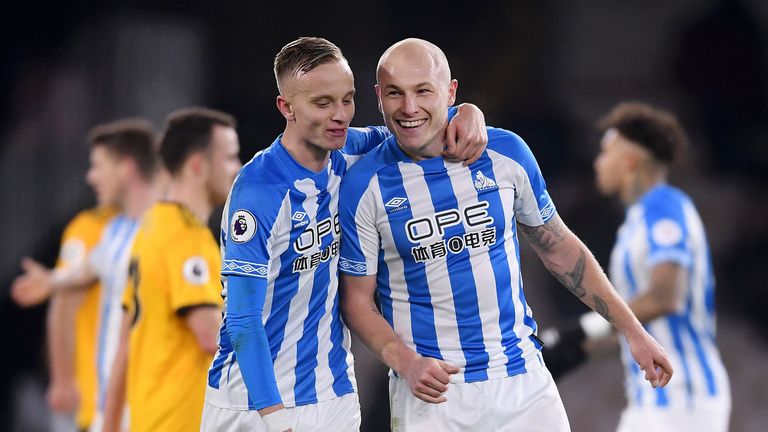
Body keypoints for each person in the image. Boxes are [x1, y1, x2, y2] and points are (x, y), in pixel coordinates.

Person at [337, 38, 673, 432]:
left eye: (423, 91)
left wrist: (634, 331)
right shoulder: (364, 185)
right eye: (395, 93)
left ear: (450, 92)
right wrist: (405, 362)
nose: (409, 107)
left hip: (523, 385)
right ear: (378, 97)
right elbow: (357, 301)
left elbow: (559, 248)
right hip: (433, 397)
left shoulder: (505, 153)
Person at [200, 37, 488, 432]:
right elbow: (243, 320)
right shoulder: (258, 192)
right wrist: (274, 418)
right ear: (287, 107)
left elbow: (418, 124)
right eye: (322, 103)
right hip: (253, 404)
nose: (340, 115)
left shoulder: (351, 150)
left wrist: (467, 112)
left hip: (332, 394)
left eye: (347, 99)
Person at [551, 102, 730, 431]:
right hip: (655, 396)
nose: (598, 163)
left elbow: (665, 297)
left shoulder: (664, 207)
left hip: (683, 394)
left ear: (630, 160)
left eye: (606, 152)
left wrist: (581, 329)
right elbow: (635, 325)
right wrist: (572, 350)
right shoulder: (635, 222)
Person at [11, 119, 159, 432]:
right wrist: (64, 379)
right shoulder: (100, 230)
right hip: (103, 396)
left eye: (98, 166)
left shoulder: (166, 229)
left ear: (127, 168)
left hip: (145, 399)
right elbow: (68, 293)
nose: (91, 177)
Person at [101, 107, 240, 432]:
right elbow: (211, 335)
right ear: (197, 166)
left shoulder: (152, 228)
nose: (238, 168)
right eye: (230, 157)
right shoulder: (184, 237)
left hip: (151, 420)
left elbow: (124, 345)